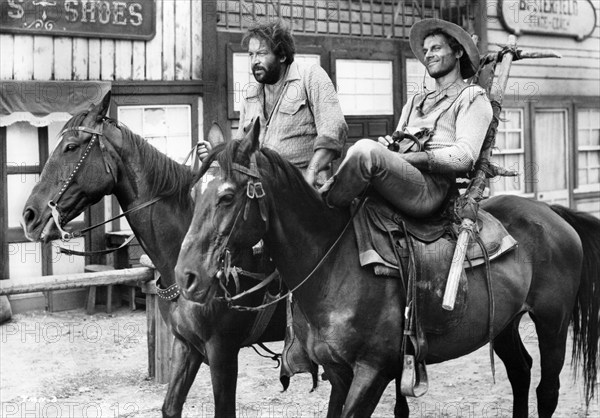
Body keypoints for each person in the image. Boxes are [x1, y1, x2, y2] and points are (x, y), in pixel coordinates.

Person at [320, 19, 493, 218]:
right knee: (361, 151)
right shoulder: (415, 101)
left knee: (364, 150)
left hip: (432, 190)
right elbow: (399, 141)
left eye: (436, 48)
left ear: (458, 52)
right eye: (426, 50)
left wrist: (404, 158)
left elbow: (464, 156)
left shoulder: (472, 97)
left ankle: (324, 208)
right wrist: (390, 147)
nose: (428, 55)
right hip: (404, 179)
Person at [199, 20, 347, 187]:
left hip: (303, 192)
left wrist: (310, 174)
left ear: (282, 55)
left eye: (261, 53)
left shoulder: (310, 77)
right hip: (260, 194)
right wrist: (216, 158)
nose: (254, 61)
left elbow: (334, 131)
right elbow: (241, 153)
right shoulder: (250, 96)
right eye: (251, 54)